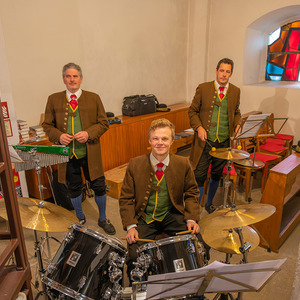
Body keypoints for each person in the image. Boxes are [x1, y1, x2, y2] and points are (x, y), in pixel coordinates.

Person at [119, 118, 200, 280]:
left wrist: (191, 218)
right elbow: (126, 198)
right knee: (135, 256)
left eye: (165, 138)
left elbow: (191, 192)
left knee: (197, 246)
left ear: (172, 141)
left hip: (172, 214)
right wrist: (131, 226)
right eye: (155, 138)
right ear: (149, 141)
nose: (160, 143)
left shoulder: (183, 163)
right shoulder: (135, 164)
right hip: (144, 217)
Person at [42, 62, 116, 235]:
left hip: (90, 153)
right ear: (63, 79)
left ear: (81, 79)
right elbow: (47, 125)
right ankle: (80, 217)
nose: (72, 79)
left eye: (75, 76)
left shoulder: (94, 97)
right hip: (68, 155)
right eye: (68, 76)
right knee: (74, 187)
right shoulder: (53, 99)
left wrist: (89, 133)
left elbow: (104, 123)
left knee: (98, 185)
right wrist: (58, 136)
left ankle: (103, 218)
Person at [189, 58, 242, 214]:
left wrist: (238, 124)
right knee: (199, 175)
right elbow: (192, 111)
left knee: (217, 174)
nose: (224, 74)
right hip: (204, 141)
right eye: (221, 70)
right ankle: (195, 209)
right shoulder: (203, 88)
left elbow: (237, 112)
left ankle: (209, 203)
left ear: (231, 73)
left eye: (227, 71)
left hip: (223, 141)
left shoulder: (236, 91)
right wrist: (199, 127)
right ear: (216, 70)